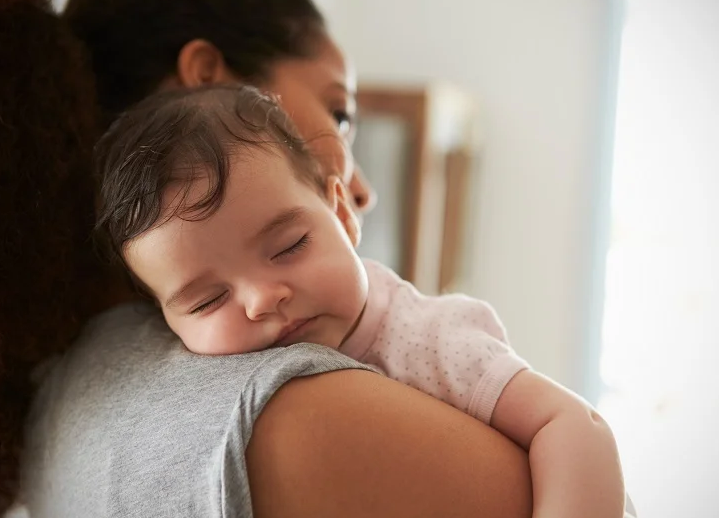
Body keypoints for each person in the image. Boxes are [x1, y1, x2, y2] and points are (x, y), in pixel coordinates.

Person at [2, 0, 538, 516]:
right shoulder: (295, 415)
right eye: (339, 113)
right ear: (210, 78)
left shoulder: (59, 405)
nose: (364, 192)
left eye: (288, 245)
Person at [95, 84, 626, 518]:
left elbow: (575, 426)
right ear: (165, 319)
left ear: (343, 215)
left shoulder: (429, 336)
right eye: (209, 301)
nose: (261, 300)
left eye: (289, 247)